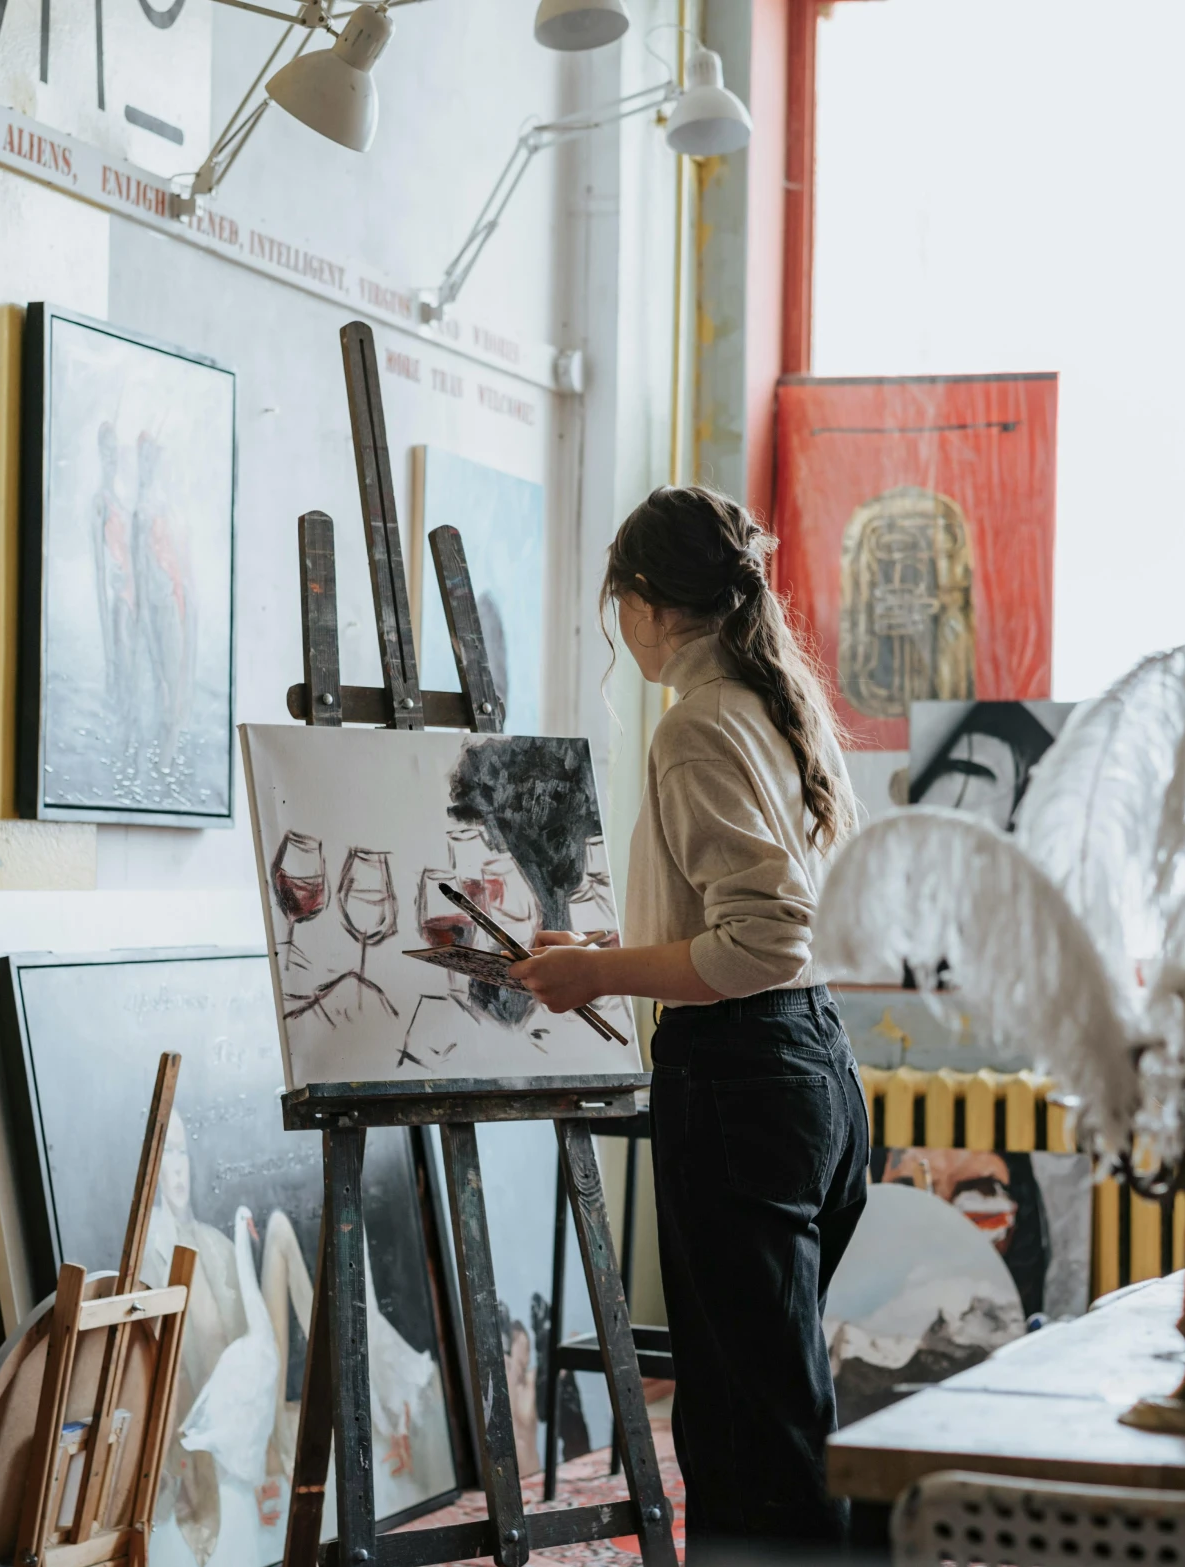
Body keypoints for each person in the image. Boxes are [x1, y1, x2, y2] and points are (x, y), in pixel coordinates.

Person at [510, 485, 869, 1552]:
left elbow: (764, 939)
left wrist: (605, 975)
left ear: (646, 601)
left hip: (744, 1080)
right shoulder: (773, 704)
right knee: (776, 1409)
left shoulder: (698, 725)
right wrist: (603, 957)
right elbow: (759, 927)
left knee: (751, 1434)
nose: (620, 626)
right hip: (811, 1072)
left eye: (618, 602)